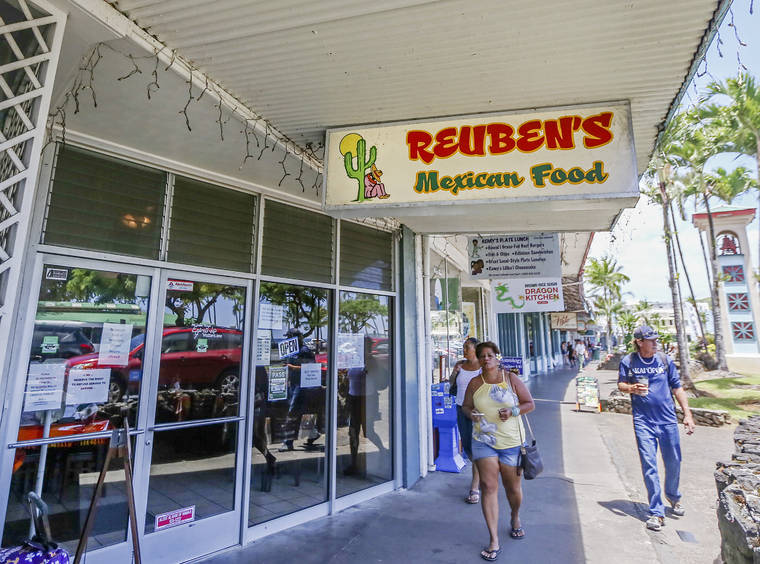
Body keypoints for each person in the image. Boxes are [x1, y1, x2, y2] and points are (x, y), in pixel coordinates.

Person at [462, 342, 535, 561]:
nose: (486, 359)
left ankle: (514, 516)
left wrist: (513, 411)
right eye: (482, 355)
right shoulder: (475, 383)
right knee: (488, 487)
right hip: (483, 440)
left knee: (512, 489)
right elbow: (465, 406)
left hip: (511, 442)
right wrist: (471, 414)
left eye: (490, 355)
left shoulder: (510, 379)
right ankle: (494, 540)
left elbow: (529, 404)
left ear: (497, 357)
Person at [618, 325, 695, 531]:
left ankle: (673, 496)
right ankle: (656, 512)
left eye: (656, 339)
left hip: (668, 420)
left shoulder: (664, 360)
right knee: (649, 464)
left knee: (674, 462)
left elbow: (677, 388)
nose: (655, 343)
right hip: (643, 421)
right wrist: (631, 388)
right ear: (639, 342)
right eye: (651, 340)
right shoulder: (629, 361)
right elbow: (621, 384)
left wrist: (687, 414)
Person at [450, 337, 482, 504]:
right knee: (468, 447)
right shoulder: (461, 365)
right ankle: (484, 471)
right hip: (461, 408)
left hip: (477, 412)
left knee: (476, 448)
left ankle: (474, 487)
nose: (464, 350)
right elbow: (451, 384)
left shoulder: (482, 367)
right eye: (463, 347)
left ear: (475, 349)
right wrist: (455, 372)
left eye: (467, 348)